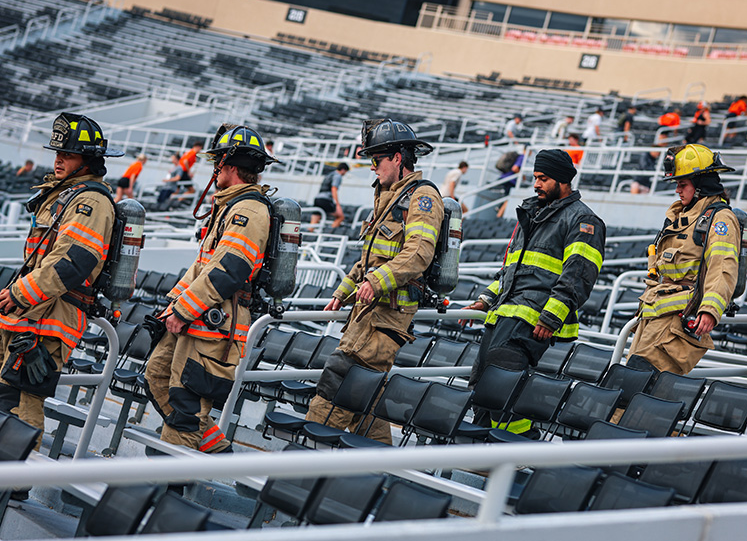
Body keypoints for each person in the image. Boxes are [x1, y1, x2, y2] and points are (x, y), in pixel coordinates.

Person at [305, 119, 443, 445]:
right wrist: (344, 291)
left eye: (377, 160)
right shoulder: (389, 197)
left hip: (385, 320)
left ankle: (304, 461)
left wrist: (377, 282)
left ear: (398, 158)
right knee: (366, 402)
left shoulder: (422, 198)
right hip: (368, 314)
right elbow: (370, 257)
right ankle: (380, 472)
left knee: (338, 386)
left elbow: (418, 253)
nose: (373, 168)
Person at [144, 124, 276, 453]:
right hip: (197, 315)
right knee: (156, 375)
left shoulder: (249, 210)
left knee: (185, 406)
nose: (213, 169)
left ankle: (169, 490)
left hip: (215, 324)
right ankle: (214, 448)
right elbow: (203, 266)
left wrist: (184, 310)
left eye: (216, 162)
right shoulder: (229, 206)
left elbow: (229, 270)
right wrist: (173, 306)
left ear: (229, 166)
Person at [461, 149, 605, 435]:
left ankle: (518, 447)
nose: (536, 184)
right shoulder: (534, 213)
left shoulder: (583, 221)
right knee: (481, 384)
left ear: (564, 181)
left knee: (503, 388)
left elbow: (578, 276)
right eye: (535, 178)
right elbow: (512, 268)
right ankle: (478, 451)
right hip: (504, 314)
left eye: (544, 178)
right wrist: (485, 299)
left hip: (533, 318)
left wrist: (551, 317)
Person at [0, 113, 121, 447]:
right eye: (57, 153)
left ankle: (19, 485)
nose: (58, 159)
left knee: (26, 403)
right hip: (31, 311)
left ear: (88, 161)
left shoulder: (92, 202)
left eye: (67, 154)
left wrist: (20, 292)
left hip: (50, 318)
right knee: (6, 397)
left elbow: (75, 260)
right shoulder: (68, 194)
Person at [627, 144, 740, 375]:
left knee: (637, 386)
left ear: (701, 186)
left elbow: (722, 268)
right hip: (655, 315)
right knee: (629, 383)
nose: (678, 190)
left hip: (677, 321)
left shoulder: (720, 219)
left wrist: (709, 309)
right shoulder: (682, 216)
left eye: (683, 184)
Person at [309, 162, 349, 231]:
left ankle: (309, 235)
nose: (345, 174)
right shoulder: (338, 176)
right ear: (343, 170)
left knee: (314, 221)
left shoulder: (329, 174)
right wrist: (337, 204)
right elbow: (334, 189)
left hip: (317, 199)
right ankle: (330, 232)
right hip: (325, 200)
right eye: (345, 172)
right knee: (341, 217)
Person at [496, 149, 529, 219]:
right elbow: (515, 168)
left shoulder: (518, 156)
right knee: (508, 198)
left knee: (506, 197)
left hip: (505, 177)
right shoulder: (522, 157)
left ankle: (499, 209)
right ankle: (499, 215)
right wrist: (522, 176)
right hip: (510, 180)